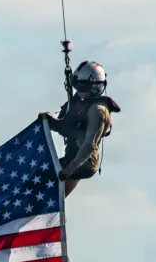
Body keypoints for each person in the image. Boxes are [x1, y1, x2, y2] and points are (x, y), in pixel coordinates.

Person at [39, 60, 120, 197]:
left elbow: (89, 145)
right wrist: (49, 121)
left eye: (82, 87)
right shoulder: (79, 103)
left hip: (84, 163)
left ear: (94, 87)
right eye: (77, 86)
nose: (79, 91)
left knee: (43, 179)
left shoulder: (98, 111)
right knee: (43, 180)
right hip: (72, 156)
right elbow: (65, 126)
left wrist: (68, 170)